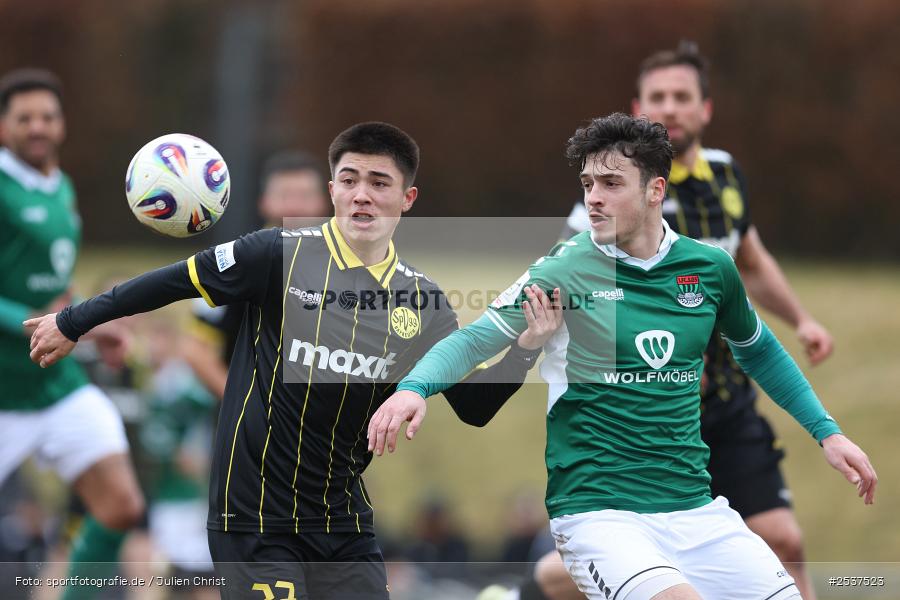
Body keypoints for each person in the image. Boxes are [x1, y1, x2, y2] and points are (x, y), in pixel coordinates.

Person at [25, 121, 563, 599]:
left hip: (344, 525)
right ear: (332, 190)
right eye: (350, 180)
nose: (362, 195)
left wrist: (525, 350)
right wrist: (75, 322)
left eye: (380, 184)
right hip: (254, 520)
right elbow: (172, 280)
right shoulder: (277, 253)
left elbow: (472, 406)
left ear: (408, 198)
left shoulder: (420, 300)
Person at [367, 113, 876, 600]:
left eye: (611, 184)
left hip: (696, 509)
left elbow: (759, 350)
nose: (593, 198)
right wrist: (414, 389)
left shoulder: (709, 268)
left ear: (655, 190)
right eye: (588, 184)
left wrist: (826, 432)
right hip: (598, 512)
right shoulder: (564, 269)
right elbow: (475, 339)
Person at [551, 41, 833, 600]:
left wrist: (801, 319)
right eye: (658, 97)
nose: (670, 108)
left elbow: (748, 259)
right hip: (639, 407)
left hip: (725, 395)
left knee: (782, 538)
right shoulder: (609, 196)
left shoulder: (726, 177)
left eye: (683, 97)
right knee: (624, 562)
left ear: (705, 109)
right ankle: (536, 586)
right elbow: (571, 295)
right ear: (638, 108)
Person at [0, 68, 144, 600]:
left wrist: (90, 325)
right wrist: (48, 323)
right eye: (24, 118)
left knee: (120, 505)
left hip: (51, 387)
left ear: (61, 125)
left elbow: (54, 293)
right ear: (3, 126)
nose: (37, 127)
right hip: (2, 390)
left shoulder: (61, 187)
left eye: (47, 117)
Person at [184, 151, 331, 400]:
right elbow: (197, 351)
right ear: (264, 202)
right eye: (284, 195)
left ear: (325, 201)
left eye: (305, 196)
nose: (294, 206)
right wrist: (248, 405)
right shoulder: (231, 263)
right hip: (248, 430)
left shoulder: (349, 267)